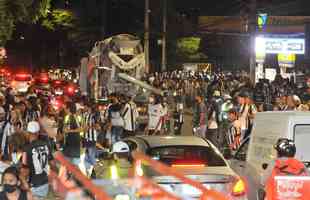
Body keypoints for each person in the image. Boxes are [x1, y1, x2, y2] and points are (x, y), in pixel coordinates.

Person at [21, 121, 55, 199]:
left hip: (34, 186)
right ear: (38, 132)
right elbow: (53, 164)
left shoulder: (26, 149)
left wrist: (23, 183)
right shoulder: (46, 145)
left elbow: (24, 172)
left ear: (28, 132)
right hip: (45, 184)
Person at [63, 102, 84, 167]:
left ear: (68, 109)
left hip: (74, 142)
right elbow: (65, 128)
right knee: (68, 163)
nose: (64, 109)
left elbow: (80, 129)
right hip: (68, 142)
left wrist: (69, 131)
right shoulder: (67, 117)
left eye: (65, 108)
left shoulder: (75, 117)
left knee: (74, 164)